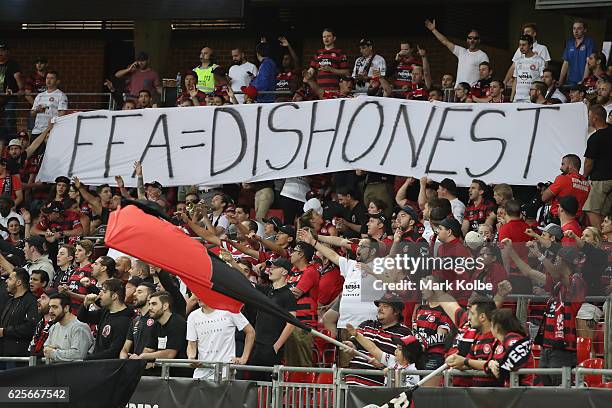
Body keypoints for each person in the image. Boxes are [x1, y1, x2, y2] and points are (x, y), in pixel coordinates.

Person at [343, 297, 412, 386]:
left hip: (377, 388)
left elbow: (405, 363)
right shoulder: (366, 324)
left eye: (385, 306)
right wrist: (351, 346)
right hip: (351, 382)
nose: (380, 309)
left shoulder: (405, 333)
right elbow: (354, 344)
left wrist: (383, 365)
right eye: (379, 306)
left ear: (396, 311)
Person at [248, 258, 297, 380]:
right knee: (254, 384)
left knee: (269, 387)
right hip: (257, 344)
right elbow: (245, 282)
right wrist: (232, 263)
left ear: (284, 272)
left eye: (274, 268)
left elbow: (291, 323)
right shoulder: (266, 290)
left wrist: (276, 346)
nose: (270, 270)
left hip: (271, 346)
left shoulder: (288, 295)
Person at [186, 296, 255, 380]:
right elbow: (191, 344)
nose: (199, 297)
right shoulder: (193, 316)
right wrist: (191, 357)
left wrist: (244, 358)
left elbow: (250, 332)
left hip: (225, 374)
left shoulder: (229, 310)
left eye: (201, 293)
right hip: (200, 374)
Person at [445, 295, 502, 387]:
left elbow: (496, 365)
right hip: (476, 394)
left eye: (472, 314)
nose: (469, 318)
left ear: (482, 317)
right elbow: (469, 362)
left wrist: (465, 361)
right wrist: (455, 361)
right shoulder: (478, 337)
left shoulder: (498, 337)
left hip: (494, 394)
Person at [345, 326, 423, 387]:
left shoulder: (413, 371)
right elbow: (373, 349)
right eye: (396, 348)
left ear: (409, 353)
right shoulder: (393, 360)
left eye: (399, 349)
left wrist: (391, 375)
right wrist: (357, 335)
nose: (395, 351)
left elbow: (404, 392)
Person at [132, 292, 188, 375]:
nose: (150, 308)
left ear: (165, 306)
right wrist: (142, 359)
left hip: (179, 374)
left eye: (154, 304)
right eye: (149, 304)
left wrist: (143, 357)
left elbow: (169, 354)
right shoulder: (156, 323)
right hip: (161, 370)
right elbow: (149, 348)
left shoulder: (177, 323)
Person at [77, 278, 131, 359]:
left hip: (107, 367)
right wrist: (86, 304)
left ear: (114, 296)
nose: (100, 294)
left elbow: (114, 352)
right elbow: (82, 317)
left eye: (104, 292)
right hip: (96, 364)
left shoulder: (124, 321)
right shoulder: (106, 311)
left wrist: (89, 358)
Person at [424, 19, 489, 86]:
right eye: (470, 38)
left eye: (475, 38)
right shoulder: (461, 51)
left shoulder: (482, 55)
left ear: (479, 40)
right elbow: (445, 42)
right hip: (458, 91)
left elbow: (485, 75)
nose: (472, 40)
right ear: (467, 39)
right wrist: (433, 30)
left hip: (471, 92)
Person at [285, 243, 319, 367]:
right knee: (289, 362)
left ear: (301, 255)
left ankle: (307, 386)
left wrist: (282, 292)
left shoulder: (310, 272)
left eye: (294, 251)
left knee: (302, 363)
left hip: (303, 324)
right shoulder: (293, 272)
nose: (291, 254)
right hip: (290, 322)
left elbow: (294, 294)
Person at [486, 308, 534, 386]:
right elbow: (490, 362)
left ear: (497, 327)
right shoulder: (498, 342)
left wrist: (496, 366)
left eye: (491, 325)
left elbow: (509, 365)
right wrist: (490, 364)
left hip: (522, 390)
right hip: (508, 390)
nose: (490, 329)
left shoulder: (514, 339)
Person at [583, 104, 612, 228]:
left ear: (595, 118)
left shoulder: (595, 138)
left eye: (589, 116)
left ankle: (599, 240)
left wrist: (584, 176)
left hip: (601, 180)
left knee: (591, 210)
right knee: (604, 212)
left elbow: (589, 162)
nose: (588, 119)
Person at [43, 292, 93, 363]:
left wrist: (54, 353)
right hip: (56, 371)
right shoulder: (54, 327)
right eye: (49, 307)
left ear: (66, 308)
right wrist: (52, 352)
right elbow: (46, 349)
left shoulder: (80, 327)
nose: (50, 311)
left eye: (55, 307)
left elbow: (78, 354)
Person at [0, 268, 37, 361]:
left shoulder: (31, 301)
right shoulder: (10, 301)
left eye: (10, 279)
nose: (6, 281)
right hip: (3, 352)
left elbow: (30, 327)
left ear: (18, 282)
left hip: (18, 356)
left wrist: (4, 331)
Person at [504, 23, 551, 87]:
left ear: (534, 34)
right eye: (524, 32)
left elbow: (545, 68)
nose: (525, 34)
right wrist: (505, 81)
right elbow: (513, 67)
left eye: (528, 32)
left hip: (535, 85)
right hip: (521, 84)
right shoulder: (520, 49)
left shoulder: (542, 48)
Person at [120, 281, 157, 358]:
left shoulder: (157, 319)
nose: (134, 294)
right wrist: (124, 359)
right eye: (135, 291)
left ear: (149, 297)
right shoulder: (135, 320)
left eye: (139, 292)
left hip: (149, 366)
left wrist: (139, 359)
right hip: (135, 365)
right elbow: (125, 349)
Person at [308, 28, 350, 95]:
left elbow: (347, 72)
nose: (326, 38)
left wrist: (331, 69)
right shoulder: (317, 53)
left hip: (335, 91)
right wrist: (307, 75)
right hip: (319, 93)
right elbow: (311, 70)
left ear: (334, 38)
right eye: (324, 37)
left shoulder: (340, 53)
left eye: (329, 36)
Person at [0, 43, 24, 149]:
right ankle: (4, 141)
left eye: (2, 50)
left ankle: (12, 142)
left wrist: (20, 89)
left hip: (9, 97)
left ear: (7, 52)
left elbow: (18, 78)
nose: (0, 53)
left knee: (9, 116)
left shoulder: (12, 64)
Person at [30, 70, 67, 137]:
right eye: (47, 78)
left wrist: (53, 127)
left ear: (58, 81)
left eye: (52, 78)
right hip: (37, 130)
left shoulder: (61, 95)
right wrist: (36, 110)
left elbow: (62, 115)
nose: (49, 80)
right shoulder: (39, 95)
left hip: (51, 131)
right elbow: (32, 114)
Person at [511, 35, 545, 103]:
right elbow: (515, 80)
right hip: (517, 99)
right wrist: (512, 98)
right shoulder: (518, 61)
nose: (521, 47)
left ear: (530, 45)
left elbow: (542, 80)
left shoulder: (539, 60)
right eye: (520, 45)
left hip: (531, 100)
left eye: (524, 45)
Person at [560, 20, 594, 86]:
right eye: (574, 28)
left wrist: (584, 80)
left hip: (583, 80)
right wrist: (560, 81)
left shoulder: (589, 42)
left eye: (579, 28)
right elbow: (566, 63)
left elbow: (588, 62)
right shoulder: (570, 43)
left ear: (585, 30)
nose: (576, 31)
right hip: (570, 80)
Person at [275, 36, 301, 102]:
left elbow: (296, 60)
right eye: (283, 59)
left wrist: (288, 46)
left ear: (292, 61)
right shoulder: (279, 74)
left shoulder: (295, 72)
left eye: (287, 59)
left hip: (290, 103)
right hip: (277, 103)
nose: (284, 60)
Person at [29, 288, 54, 358]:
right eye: (39, 297)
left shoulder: (58, 323)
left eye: (43, 298)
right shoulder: (40, 323)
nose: (38, 300)